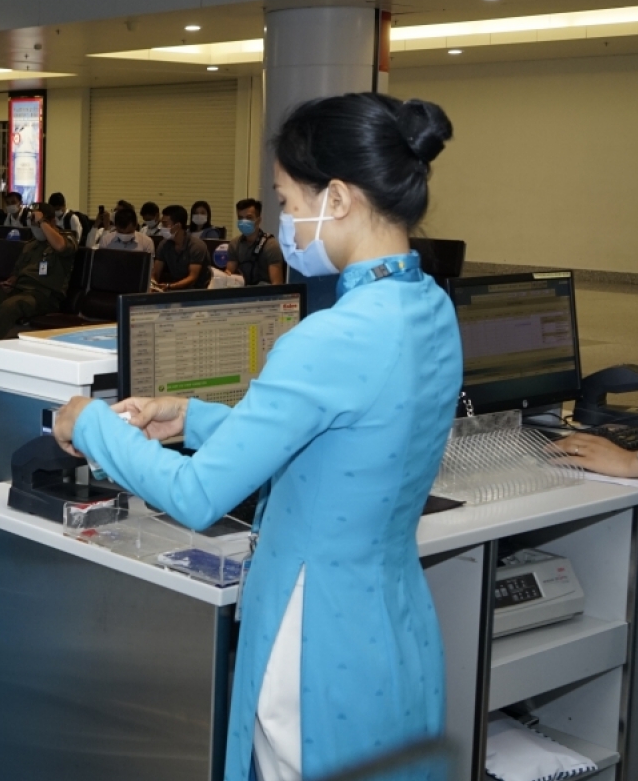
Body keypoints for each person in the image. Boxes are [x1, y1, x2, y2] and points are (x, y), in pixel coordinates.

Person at [53, 92, 460, 781]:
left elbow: (197, 494)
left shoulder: (332, 335)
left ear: (335, 197)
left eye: (283, 199)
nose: (280, 223)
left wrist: (88, 423)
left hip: (314, 630)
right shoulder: (429, 305)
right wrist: (194, 417)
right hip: (391, 620)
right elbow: (341, 438)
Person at [0, 201, 76, 364]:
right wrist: (11, 281)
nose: (35, 227)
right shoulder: (31, 245)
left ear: (52, 222)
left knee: (9, 307)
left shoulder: (66, 237)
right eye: (32, 223)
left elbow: (61, 247)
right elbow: (18, 271)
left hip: (44, 296)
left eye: (38, 223)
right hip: (19, 291)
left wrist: (43, 222)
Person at [225, 198, 286, 286]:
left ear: (258, 220)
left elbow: (277, 284)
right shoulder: (234, 244)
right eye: (240, 218)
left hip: (264, 295)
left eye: (249, 218)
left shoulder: (271, 246)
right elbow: (229, 274)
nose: (244, 221)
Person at [152, 205, 212, 290]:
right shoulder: (164, 245)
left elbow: (192, 278)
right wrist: (153, 283)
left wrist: (170, 286)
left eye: (165, 224)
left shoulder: (197, 246)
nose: (162, 228)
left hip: (196, 291)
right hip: (173, 289)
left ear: (178, 226)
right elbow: (156, 273)